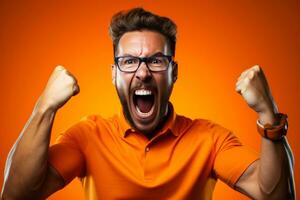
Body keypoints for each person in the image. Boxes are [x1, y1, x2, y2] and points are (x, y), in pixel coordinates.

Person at [1, 7, 295, 200]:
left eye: (156, 60)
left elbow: (276, 195)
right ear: (114, 74)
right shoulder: (87, 137)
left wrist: (268, 113)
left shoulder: (210, 139)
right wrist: (44, 107)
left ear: (173, 72)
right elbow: (16, 195)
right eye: (129, 61)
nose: (142, 72)